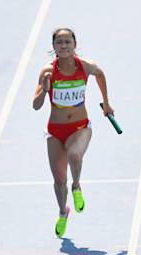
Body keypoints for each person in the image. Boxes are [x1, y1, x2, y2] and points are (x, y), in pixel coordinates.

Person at [33, 28, 114, 237]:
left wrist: (106, 103)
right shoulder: (47, 72)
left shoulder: (84, 66)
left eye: (67, 41)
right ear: (54, 47)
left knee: (74, 155)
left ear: (74, 44)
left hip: (80, 127)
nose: (64, 45)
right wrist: (44, 87)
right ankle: (63, 212)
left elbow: (100, 73)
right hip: (55, 131)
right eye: (59, 42)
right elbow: (36, 105)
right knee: (59, 180)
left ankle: (77, 186)